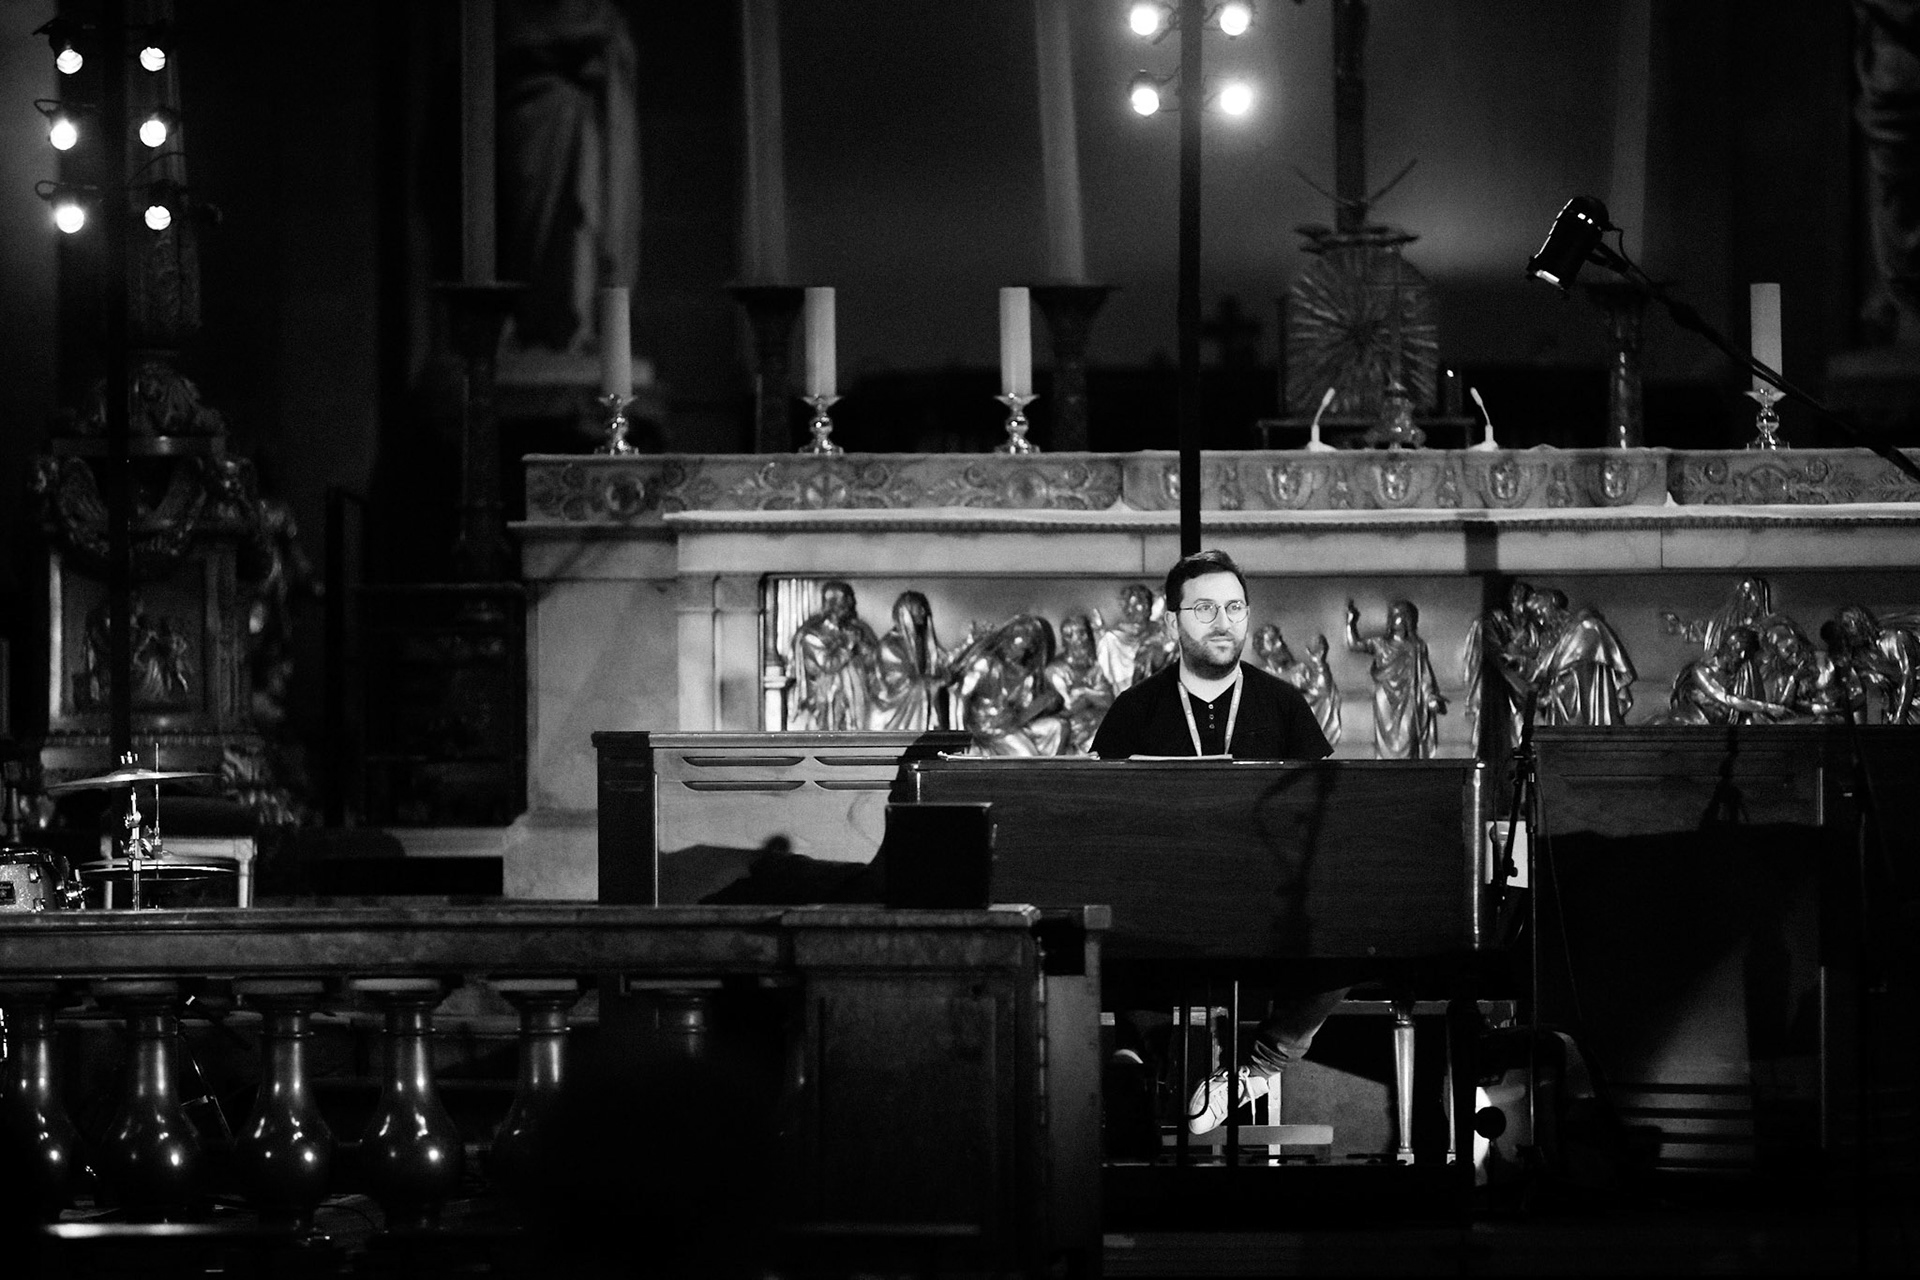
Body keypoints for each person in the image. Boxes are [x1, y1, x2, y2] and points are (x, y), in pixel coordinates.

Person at [1090, 550, 1335, 1132]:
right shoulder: (1135, 711)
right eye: (1204, 608)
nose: (1222, 621)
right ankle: (1154, 1059)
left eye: (1233, 607)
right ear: (1173, 623)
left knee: (1358, 937)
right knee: (1103, 938)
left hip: (1265, 908)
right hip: (1161, 905)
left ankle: (1257, 1066)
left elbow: (1327, 816)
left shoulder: (1284, 704)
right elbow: (1100, 821)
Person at [1346, 599, 1447, 759]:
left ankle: (1408, 774)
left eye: (1399, 614)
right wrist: (1350, 623)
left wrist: (1429, 697)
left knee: (1408, 734)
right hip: (1384, 698)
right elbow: (1354, 644)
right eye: (1392, 615)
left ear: (1408, 619)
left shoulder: (1416, 646)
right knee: (1384, 744)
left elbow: (1424, 674)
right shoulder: (1380, 643)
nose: (1394, 618)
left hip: (1409, 698)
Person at [788, 581, 879, 731]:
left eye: (851, 600)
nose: (851, 604)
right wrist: (849, 645)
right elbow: (829, 665)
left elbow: (873, 661)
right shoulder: (812, 635)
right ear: (832, 603)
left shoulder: (858, 630)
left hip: (858, 696)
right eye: (846, 599)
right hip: (828, 697)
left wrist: (863, 648)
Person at [868, 590, 950, 731]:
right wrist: (935, 682)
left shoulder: (922, 643)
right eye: (919, 608)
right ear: (907, 612)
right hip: (895, 715)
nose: (923, 613)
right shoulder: (890, 646)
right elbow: (901, 685)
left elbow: (942, 663)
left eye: (924, 608)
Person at [1043, 614, 1115, 753]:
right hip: (1073, 729)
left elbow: (1108, 700)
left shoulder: (1095, 668)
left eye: (1083, 633)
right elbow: (1067, 705)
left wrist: (1085, 693)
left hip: (1097, 724)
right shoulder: (1055, 669)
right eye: (1073, 635)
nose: (1081, 640)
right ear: (1065, 641)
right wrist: (1093, 698)